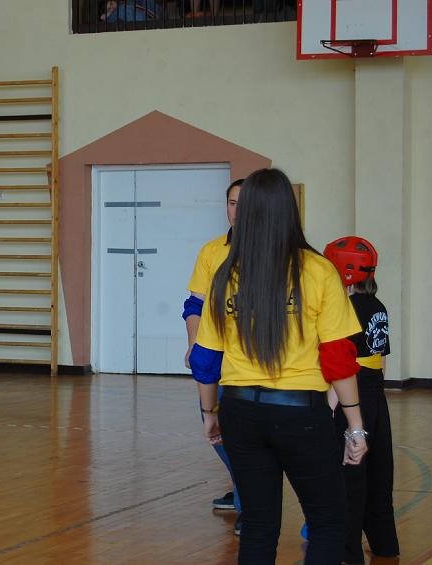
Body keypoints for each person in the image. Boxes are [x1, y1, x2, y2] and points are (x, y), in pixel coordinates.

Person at [189, 168, 368, 564]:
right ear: (290, 210)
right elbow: (338, 358)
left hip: (239, 411)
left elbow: (205, 358)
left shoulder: (225, 274)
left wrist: (209, 412)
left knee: (257, 525)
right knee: (327, 523)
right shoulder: (318, 270)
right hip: (300, 414)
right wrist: (355, 426)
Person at [324, 236, 400, 564]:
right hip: (376, 397)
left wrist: (328, 411)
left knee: (350, 478)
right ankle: (385, 545)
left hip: (350, 398)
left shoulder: (345, 309)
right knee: (380, 474)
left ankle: (348, 552)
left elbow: (342, 367)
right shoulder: (378, 307)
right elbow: (380, 360)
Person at [183, 178, 244, 532]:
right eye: (232, 203)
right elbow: (194, 305)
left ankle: (250, 501)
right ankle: (244, 488)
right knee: (215, 427)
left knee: (244, 432)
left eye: (243, 204)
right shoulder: (211, 251)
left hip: (251, 362)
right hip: (215, 355)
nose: (237, 210)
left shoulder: (271, 252)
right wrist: (194, 343)